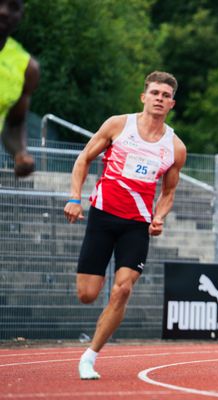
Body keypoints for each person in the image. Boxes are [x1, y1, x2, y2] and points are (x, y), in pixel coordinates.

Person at [63, 71, 187, 379]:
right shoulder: (118, 125)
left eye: (165, 95)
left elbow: (169, 192)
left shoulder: (175, 147)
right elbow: (83, 159)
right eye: (155, 93)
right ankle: (99, 277)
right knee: (87, 294)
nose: (159, 98)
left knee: (123, 289)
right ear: (143, 97)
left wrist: (159, 217)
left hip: (137, 225)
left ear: (172, 103)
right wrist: (75, 198)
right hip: (103, 216)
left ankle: (90, 356)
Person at [0, 0, 39, 177]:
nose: (4, 12)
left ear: (21, 16)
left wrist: (20, 153)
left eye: (14, 7)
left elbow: (14, 124)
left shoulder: (26, 68)